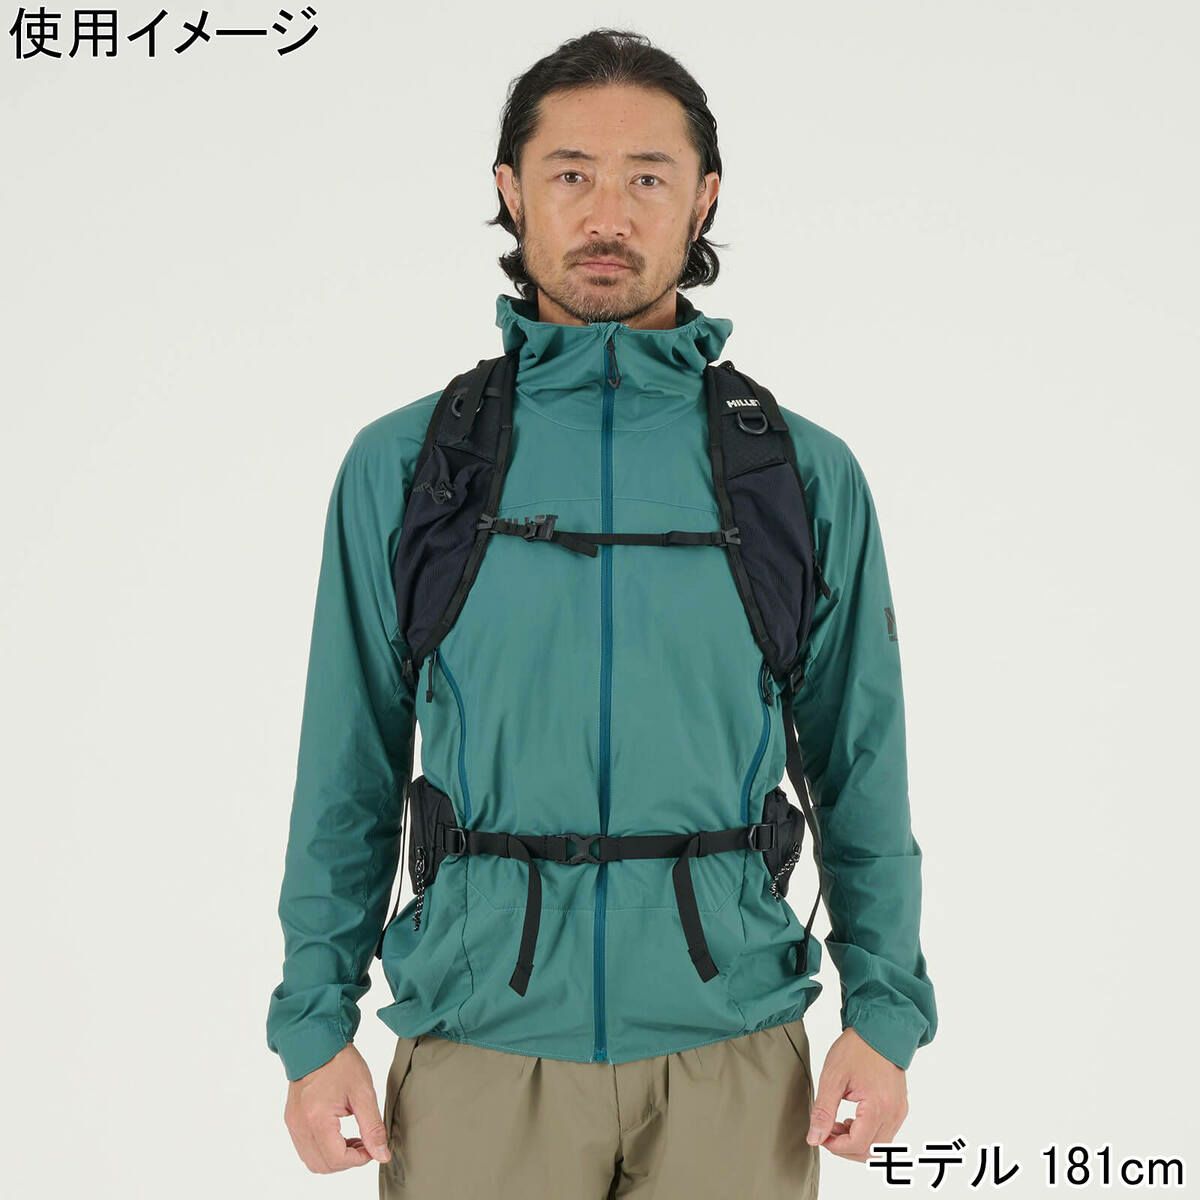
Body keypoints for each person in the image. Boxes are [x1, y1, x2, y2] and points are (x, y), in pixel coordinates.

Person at [267, 28, 937, 1198]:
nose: (608, 214)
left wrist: (882, 1014)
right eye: (571, 173)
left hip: (733, 1052)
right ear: (511, 190)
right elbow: (350, 760)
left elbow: (858, 759)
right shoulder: (412, 467)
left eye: (648, 177)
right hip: (478, 1046)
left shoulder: (797, 474)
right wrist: (316, 1027)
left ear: (705, 196)